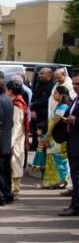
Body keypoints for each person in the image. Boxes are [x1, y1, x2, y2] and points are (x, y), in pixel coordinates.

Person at [38, 85, 70, 189]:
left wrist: (46, 136)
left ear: (62, 95)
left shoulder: (62, 108)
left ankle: (61, 181)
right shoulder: (58, 106)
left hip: (57, 138)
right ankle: (54, 181)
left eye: (56, 93)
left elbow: (54, 124)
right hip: (54, 137)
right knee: (52, 159)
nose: (53, 95)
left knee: (59, 160)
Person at [6, 81, 29, 200]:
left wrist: (10, 143)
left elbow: (16, 125)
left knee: (14, 165)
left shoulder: (17, 105)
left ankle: (14, 191)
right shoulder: (17, 102)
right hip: (16, 138)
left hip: (16, 139)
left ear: (10, 91)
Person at [60, 75, 79, 216]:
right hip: (72, 142)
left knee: (77, 176)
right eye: (73, 83)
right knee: (74, 175)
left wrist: (75, 120)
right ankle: (75, 204)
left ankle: (76, 206)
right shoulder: (75, 100)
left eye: (78, 83)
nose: (75, 86)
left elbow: (75, 118)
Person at [29, 68, 55, 150]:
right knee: (35, 132)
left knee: (42, 132)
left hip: (44, 114)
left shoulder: (52, 85)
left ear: (49, 75)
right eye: (40, 73)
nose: (39, 75)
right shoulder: (39, 85)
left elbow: (46, 101)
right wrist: (33, 110)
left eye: (42, 74)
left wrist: (33, 105)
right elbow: (33, 98)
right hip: (35, 113)